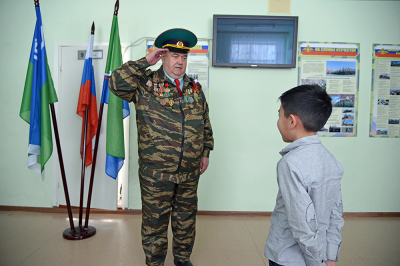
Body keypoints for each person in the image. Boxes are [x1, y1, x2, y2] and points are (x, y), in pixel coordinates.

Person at [109, 28, 214, 266]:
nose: (180, 62)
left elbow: (205, 122)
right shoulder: (145, 84)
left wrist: (205, 151)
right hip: (156, 174)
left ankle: (182, 259)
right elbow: (115, 83)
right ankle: (155, 262)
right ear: (163, 57)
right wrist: (144, 62)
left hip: (189, 173)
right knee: (155, 222)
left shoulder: (194, 88)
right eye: (175, 56)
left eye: (184, 57)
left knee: (185, 220)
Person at [265, 85, 344, 266]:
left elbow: (301, 224)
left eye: (279, 115)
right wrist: (329, 256)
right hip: (321, 255)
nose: (278, 121)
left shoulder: (290, 164)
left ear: (292, 121)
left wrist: (315, 262)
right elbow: (335, 212)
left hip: (287, 257)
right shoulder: (330, 160)